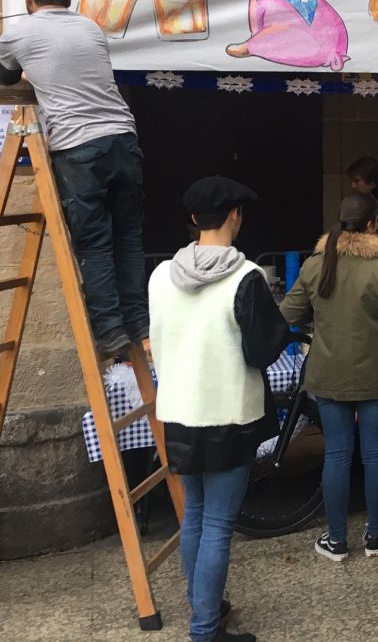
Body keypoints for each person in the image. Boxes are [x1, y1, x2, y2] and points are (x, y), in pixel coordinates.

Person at [149, 176, 293, 642]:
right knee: (217, 524)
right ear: (236, 216)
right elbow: (266, 348)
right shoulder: (246, 276)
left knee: (194, 514)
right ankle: (205, 627)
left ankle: (204, 606)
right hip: (229, 415)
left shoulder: (160, 276)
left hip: (178, 413)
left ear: (193, 221)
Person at [0, 0, 146, 356]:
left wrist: (0, 68)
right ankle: (139, 323)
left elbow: (6, 77)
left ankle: (110, 332)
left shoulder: (17, 33)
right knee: (127, 237)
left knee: (93, 242)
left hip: (78, 146)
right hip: (123, 139)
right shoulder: (90, 28)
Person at [279, 192, 378, 560]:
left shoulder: (315, 266)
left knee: (337, 455)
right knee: (376, 455)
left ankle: (337, 540)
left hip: (329, 376)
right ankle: (375, 537)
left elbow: (287, 315)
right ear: (373, 225)